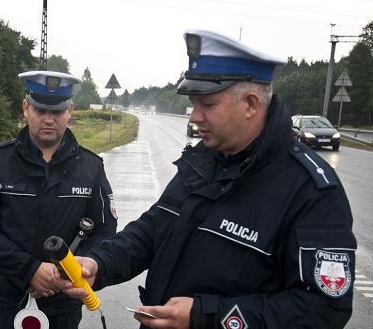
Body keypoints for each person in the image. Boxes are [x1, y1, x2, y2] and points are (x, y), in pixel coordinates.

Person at [62, 29, 356, 329]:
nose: (193, 117)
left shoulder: (311, 191)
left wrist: (204, 317)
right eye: (193, 103)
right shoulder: (204, 161)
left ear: (251, 104)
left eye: (208, 105)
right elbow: (153, 230)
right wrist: (100, 264)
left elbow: (323, 309)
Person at [0, 70, 118, 329]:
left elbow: (105, 230)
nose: (49, 119)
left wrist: (81, 267)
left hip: (63, 304)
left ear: (70, 111)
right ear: (26, 108)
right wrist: (30, 270)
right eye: (40, 110)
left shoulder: (91, 167)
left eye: (57, 112)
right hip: (4, 300)